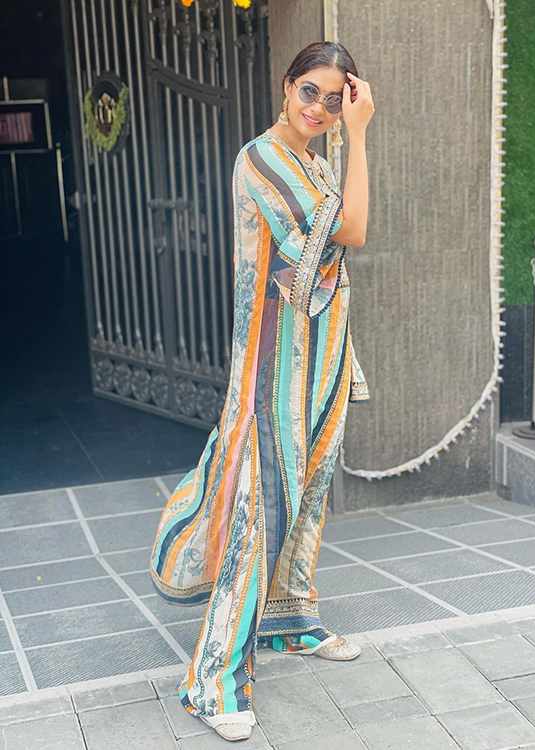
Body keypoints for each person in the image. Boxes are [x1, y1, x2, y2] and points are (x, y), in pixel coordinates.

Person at [149, 41, 374, 742]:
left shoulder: (315, 162)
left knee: (309, 491)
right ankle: (212, 681)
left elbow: (333, 262)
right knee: (262, 510)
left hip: (323, 356)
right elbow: (352, 231)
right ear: (286, 85)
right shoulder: (264, 158)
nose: (320, 108)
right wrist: (359, 134)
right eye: (310, 91)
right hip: (274, 365)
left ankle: (289, 619)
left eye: (335, 99)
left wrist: (343, 360)